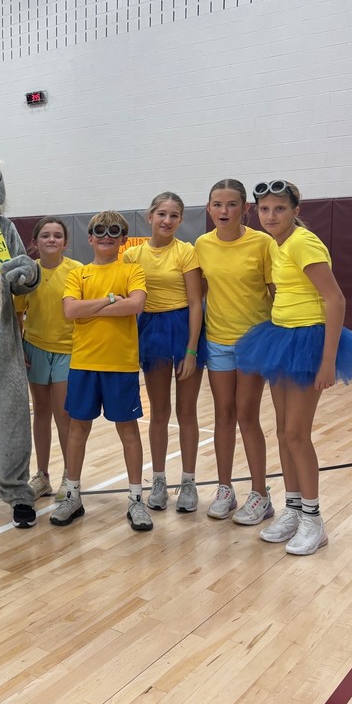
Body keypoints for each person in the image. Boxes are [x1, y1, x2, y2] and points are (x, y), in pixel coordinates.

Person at [237, 180, 352, 555]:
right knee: (284, 432)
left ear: (296, 211)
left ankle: (314, 520)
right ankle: (294, 509)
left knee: (297, 434)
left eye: (279, 209)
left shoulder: (303, 242)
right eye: (265, 209)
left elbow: (336, 300)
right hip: (280, 336)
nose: (271, 216)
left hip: (307, 342)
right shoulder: (277, 244)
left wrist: (327, 359)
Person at [50, 211, 150, 531]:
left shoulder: (132, 269)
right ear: (90, 237)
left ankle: (136, 500)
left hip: (120, 365)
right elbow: (70, 310)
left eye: (115, 231)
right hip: (83, 364)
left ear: (123, 239)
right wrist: (109, 300)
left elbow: (135, 305)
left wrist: (91, 307)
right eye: (100, 231)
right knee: (77, 430)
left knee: (129, 432)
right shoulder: (78, 275)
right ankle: (73, 496)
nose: (107, 235)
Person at [195, 179, 277, 523]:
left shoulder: (263, 242)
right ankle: (225, 489)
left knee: (247, 415)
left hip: (254, 341)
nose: (223, 211)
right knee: (223, 415)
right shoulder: (201, 244)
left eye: (231, 205)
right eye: (217, 204)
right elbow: (197, 296)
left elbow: (277, 292)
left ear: (245, 208)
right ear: (209, 207)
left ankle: (260, 494)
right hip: (217, 341)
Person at [122, 192, 206, 513]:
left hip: (185, 328)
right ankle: (158, 480)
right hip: (152, 331)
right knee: (159, 412)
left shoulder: (186, 252)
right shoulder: (132, 256)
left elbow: (196, 301)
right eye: (162, 214)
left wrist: (192, 349)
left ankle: (188, 482)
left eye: (174, 215)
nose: (167, 220)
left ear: (181, 220)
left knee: (187, 411)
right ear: (150, 216)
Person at [13, 217, 81, 499]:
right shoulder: (28, 273)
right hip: (35, 348)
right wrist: (19, 349)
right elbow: (18, 314)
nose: (51, 240)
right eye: (45, 236)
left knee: (63, 414)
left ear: (65, 242)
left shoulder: (78, 271)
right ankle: (42, 475)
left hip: (68, 350)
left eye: (57, 236)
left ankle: (70, 475)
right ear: (35, 242)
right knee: (40, 413)